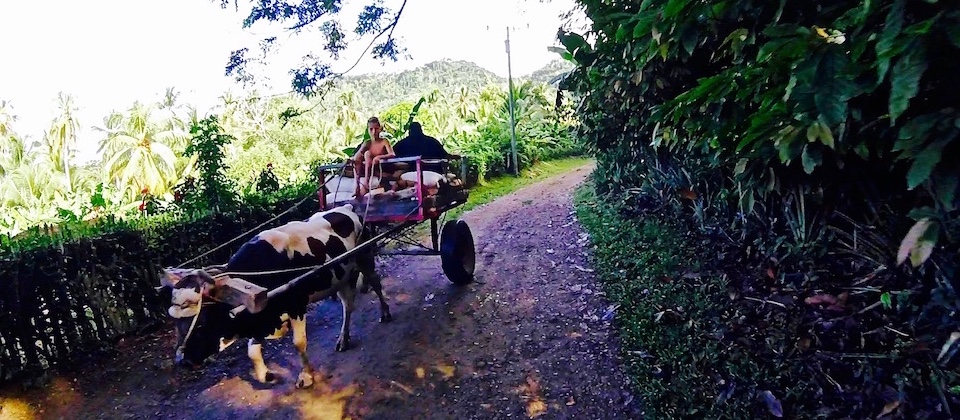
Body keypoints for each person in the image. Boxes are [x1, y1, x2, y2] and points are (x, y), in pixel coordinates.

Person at [393, 122, 460, 173]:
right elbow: (444, 155)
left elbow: (392, 155)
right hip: (432, 171)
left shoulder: (402, 143)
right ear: (421, 130)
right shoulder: (432, 141)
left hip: (413, 171)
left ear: (409, 131)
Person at [352, 116, 395, 196]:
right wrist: (352, 159)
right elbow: (359, 154)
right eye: (371, 129)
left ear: (380, 129)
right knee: (366, 153)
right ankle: (357, 185)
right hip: (368, 169)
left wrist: (380, 157)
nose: (374, 132)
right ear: (368, 130)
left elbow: (392, 154)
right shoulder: (367, 143)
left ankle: (366, 182)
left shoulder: (384, 141)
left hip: (381, 169)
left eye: (376, 129)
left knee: (367, 154)